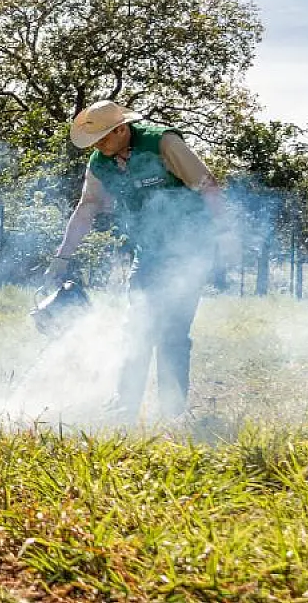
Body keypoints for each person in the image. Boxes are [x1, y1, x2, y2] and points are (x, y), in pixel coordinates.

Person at [45, 100, 234, 423]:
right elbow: (87, 207)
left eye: (102, 138)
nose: (97, 146)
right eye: (93, 141)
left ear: (121, 129)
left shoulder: (164, 143)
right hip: (148, 252)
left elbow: (208, 187)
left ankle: (172, 412)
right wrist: (61, 257)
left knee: (172, 330)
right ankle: (124, 406)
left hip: (190, 248)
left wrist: (225, 239)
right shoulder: (100, 162)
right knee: (137, 325)